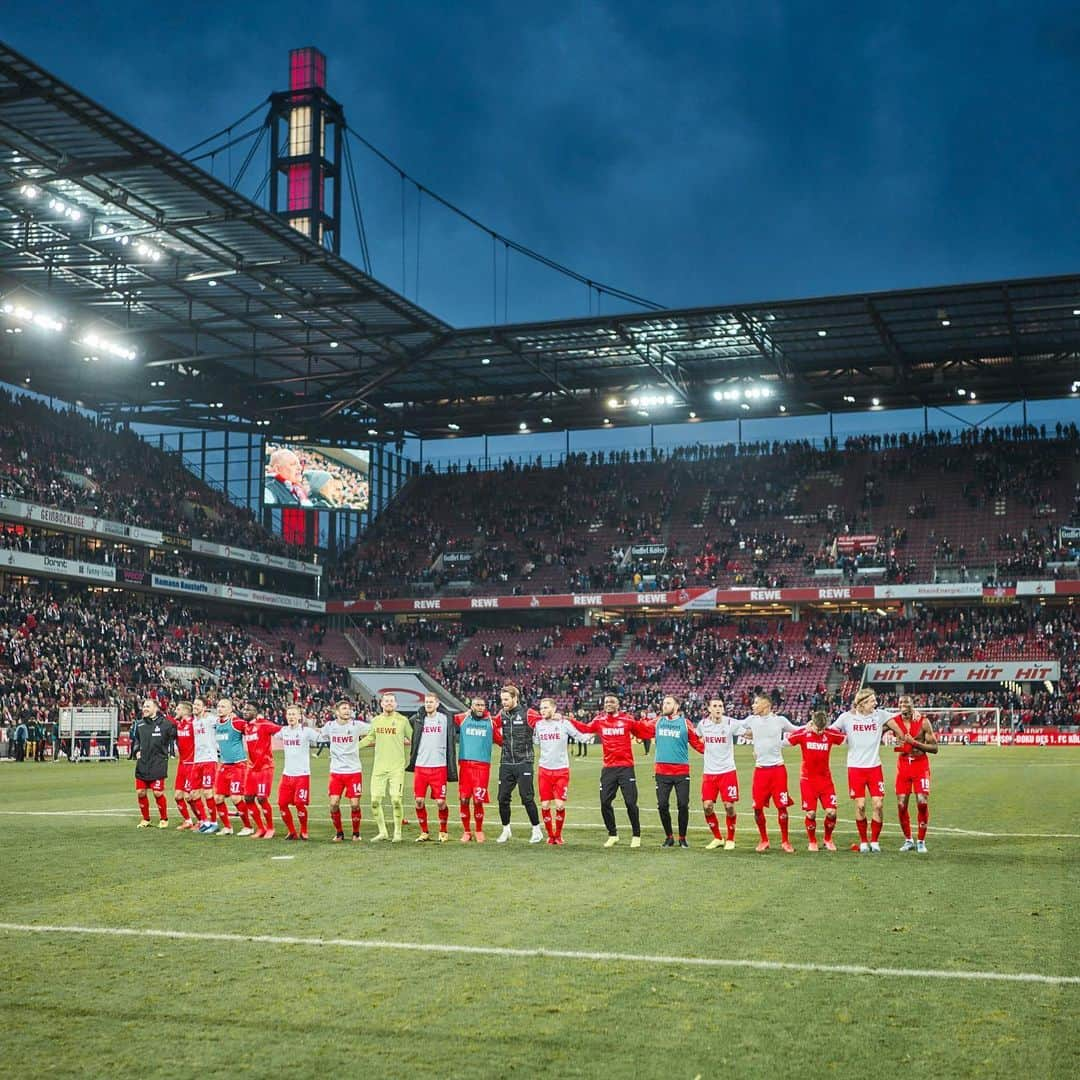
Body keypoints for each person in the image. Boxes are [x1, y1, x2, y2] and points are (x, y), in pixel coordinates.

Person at [829, 687, 911, 853]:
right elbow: (831, 730)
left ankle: (874, 841)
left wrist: (902, 734)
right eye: (872, 700)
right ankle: (864, 841)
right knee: (860, 806)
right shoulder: (846, 718)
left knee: (878, 804)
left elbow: (899, 723)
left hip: (874, 767)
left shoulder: (880, 715)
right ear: (862, 703)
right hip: (855, 768)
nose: (876, 702)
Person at [568, 692, 654, 849]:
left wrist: (656, 725)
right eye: (606, 701)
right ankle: (613, 834)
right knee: (605, 802)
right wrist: (569, 720)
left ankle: (636, 835)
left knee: (630, 802)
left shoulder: (627, 719)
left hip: (626, 767)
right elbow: (586, 729)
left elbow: (642, 731)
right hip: (608, 768)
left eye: (612, 702)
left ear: (618, 704)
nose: (608, 704)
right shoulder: (599, 720)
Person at [742, 692, 799, 854]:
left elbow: (796, 730)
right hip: (760, 771)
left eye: (756, 703)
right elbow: (736, 726)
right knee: (757, 807)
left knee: (782, 806)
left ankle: (785, 841)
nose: (753, 705)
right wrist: (745, 733)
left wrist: (811, 726)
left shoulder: (779, 721)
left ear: (766, 705)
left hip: (778, 770)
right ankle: (764, 839)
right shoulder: (751, 720)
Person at [646, 694, 705, 848]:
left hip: (681, 771)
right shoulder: (657, 722)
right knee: (663, 805)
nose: (664, 705)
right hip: (662, 772)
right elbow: (641, 730)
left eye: (668, 703)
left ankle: (682, 837)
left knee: (683, 805)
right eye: (663, 703)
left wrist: (713, 750)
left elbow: (697, 744)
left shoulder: (685, 724)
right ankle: (669, 836)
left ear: (676, 706)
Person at [531, 696, 589, 845]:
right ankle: (551, 836)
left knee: (559, 805)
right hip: (544, 770)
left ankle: (558, 835)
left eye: (546, 707)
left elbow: (579, 736)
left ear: (554, 709)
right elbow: (536, 741)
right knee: (544, 805)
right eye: (541, 708)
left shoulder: (564, 723)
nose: (543, 710)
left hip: (561, 770)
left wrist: (594, 732)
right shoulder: (538, 725)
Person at [786, 709, 845, 852]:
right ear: (812, 723)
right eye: (817, 729)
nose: (820, 732)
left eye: (822, 729)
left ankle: (828, 839)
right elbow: (786, 742)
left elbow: (846, 738)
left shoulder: (830, 734)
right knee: (811, 813)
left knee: (832, 812)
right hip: (808, 781)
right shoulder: (803, 733)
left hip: (826, 781)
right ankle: (812, 841)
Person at [492, 685, 544, 845]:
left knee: (526, 797)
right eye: (502, 700)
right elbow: (492, 723)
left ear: (515, 698)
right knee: (502, 798)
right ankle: (506, 830)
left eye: (507, 699)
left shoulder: (528, 713)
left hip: (524, 762)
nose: (504, 702)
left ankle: (537, 830)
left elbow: (544, 721)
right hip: (506, 762)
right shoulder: (502, 714)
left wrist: (554, 717)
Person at [694, 696, 746, 851]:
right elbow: (697, 737)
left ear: (723, 709)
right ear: (709, 709)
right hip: (709, 773)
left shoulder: (730, 723)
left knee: (729, 806)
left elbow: (747, 733)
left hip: (727, 771)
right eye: (715, 706)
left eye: (720, 706)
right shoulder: (702, 725)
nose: (718, 708)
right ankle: (717, 837)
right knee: (707, 806)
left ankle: (731, 838)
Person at [359, 692, 413, 843]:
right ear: (381, 704)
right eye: (386, 701)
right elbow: (370, 737)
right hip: (379, 768)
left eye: (391, 701)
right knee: (375, 801)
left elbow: (413, 738)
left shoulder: (402, 721)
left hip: (397, 767)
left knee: (396, 800)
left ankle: (397, 832)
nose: (389, 703)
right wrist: (353, 747)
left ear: (396, 704)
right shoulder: (376, 721)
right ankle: (382, 832)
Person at [406, 692, 458, 843]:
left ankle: (443, 831)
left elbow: (454, 717)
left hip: (439, 767)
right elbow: (409, 723)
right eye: (426, 702)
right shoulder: (418, 719)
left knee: (441, 802)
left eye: (431, 702)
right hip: (421, 767)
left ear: (437, 704)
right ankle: (424, 832)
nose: (428, 704)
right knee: (419, 801)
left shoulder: (445, 719)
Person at [323, 699, 373, 842]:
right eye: (344, 708)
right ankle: (339, 833)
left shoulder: (357, 725)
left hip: (353, 771)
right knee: (333, 804)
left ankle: (356, 833)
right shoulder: (330, 726)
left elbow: (374, 728)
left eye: (348, 708)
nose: (347, 711)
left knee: (355, 804)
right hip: (336, 772)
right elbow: (320, 735)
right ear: (336, 712)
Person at [893, 694, 938, 853]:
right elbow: (874, 726)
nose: (903, 705)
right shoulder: (894, 722)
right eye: (900, 702)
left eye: (906, 702)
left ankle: (921, 841)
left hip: (920, 765)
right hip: (903, 765)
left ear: (913, 705)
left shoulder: (923, 722)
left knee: (922, 801)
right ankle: (908, 840)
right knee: (901, 804)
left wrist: (915, 743)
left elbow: (935, 748)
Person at [453, 695, 500, 843]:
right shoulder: (463, 718)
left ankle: (479, 830)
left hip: (482, 767)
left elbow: (501, 740)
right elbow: (447, 716)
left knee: (478, 801)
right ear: (471, 706)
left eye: (482, 705)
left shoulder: (490, 722)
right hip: (465, 766)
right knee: (464, 799)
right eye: (477, 705)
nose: (480, 708)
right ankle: (467, 831)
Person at [130, 699, 177, 829]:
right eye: (144, 706)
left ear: (155, 708)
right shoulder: (139, 724)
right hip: (143, 763)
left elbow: (175, 735)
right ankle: (145, 819)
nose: (144, 708)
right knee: (140, 792)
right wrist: (136, 751)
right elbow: (137, 741)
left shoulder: (165, 724)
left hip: (158, 763)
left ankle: (164, 818)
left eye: (148, 706)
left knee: (157, 793)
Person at [277, 704, 320, 840]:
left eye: (293, 714)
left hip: (302, 775)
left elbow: (321, 737)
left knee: (299, 803)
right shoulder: (283, 731)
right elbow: (269, 733)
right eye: (289, 714)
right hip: (287, 775)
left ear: (299, 716)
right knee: (282, 804)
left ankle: (304, 830)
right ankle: (291, 831)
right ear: (286, 716)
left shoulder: (306, 731)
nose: (291, 717)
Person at [241, 704, 282, 839]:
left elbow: (280, 730)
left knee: (262, 798)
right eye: (244, 709)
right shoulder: (245, 727)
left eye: (249, 709)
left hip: (265, 767)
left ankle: (270, 828)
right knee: (248, 798)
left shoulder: (263, 724)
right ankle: (260, 828)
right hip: (252, 768)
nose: (245, 711)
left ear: (256, 712)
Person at [212, 698, 249, 837]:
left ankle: (248, 826)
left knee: (236, 797)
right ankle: (227, 827)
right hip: (224, 764)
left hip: (238, 764)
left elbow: (251, 728)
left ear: (230, 709)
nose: (220, 708)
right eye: (218, 706)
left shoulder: (236, 722)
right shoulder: (216, 724)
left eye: (223, 706)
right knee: (218, 798)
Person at [191, 698, 220, 833]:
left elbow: (223, 722)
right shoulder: (194, 722)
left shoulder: (211, 720)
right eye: (194, 704)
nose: (195, 706)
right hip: (197, 761)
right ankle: (205, 821)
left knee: (208, 791)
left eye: (198, 705)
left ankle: (214, 822)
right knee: (194, 794)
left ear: (204, 707)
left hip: (209, 760)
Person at [171, 701, 197, 831]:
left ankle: (202, 820)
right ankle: (188, 821)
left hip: (192, 764)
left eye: (178, 708)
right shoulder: (178, 724)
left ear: (186, 711)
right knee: (178, 796)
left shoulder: (194, 724)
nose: (175, 710)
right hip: (182, 764)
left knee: (189, 796)